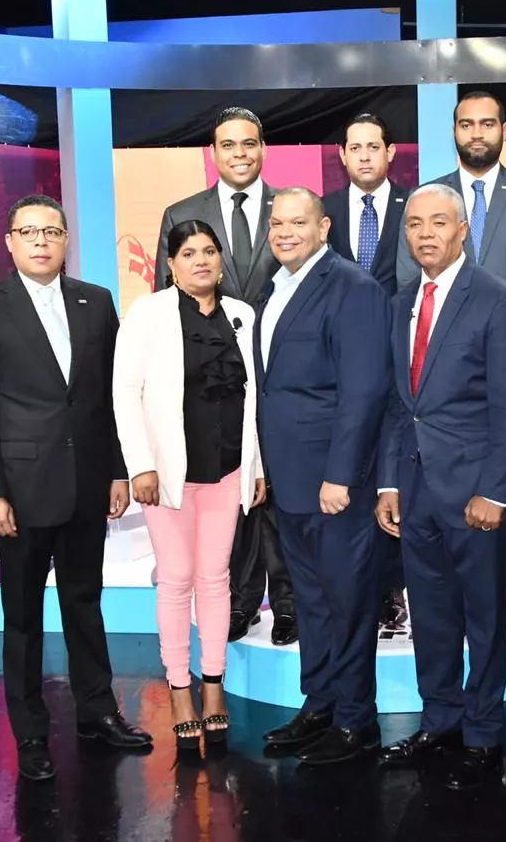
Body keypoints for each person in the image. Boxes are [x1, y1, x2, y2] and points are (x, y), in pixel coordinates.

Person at [0, 194, 153, 782]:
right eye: (29, 231)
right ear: (10, 242)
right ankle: (31, 733)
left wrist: (118, 468)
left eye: (52, 231)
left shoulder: (96, 303)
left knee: (84, 603)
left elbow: (112, 397)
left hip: (88, 482)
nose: (41, 241)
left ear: (66, 240)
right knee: (22, 618)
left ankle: (98, 712)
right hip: (20, 489)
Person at [376, 183, 506, 790]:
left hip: (475, 497)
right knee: (432, 617)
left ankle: (485, 732)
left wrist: (495, 493)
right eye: (414, 223)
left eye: (438, 222)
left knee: (484, 616)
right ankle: (439, 720)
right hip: (414, 492)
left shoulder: (497, 298)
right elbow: (398, 404)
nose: (424, 233)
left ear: (463, 229)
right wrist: (388, 482)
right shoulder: (401, 301)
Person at [112, 219, 265, 750]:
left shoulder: (242, 315)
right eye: (189, 253)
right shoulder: (148, 314)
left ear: (221, 259)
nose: (201, 260)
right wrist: (140, 467)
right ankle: (180, 689)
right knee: (176, 579)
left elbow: (253, 403)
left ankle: (214, 686)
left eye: (209, 251)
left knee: (215, 578)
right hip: (169, 477)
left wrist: (256, 467)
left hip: (226, 470)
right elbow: (124, 392)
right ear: (171, 264)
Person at [256, 188, 392, 764]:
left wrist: (341, 475)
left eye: (298, 222)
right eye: (277, 222)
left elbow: (364, 390)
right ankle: (320, 704)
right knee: (311, 599)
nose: (285, 231)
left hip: (335, 485)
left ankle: (357, 720)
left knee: (349, 599)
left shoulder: (352, 288)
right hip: (289, 481)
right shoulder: (276, 288)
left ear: (324, 226)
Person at [153, 107, 296, 646]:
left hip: (280, 370)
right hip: (209, 382)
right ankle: (239, 602)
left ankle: (286, 603)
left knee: (274, 489)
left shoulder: (290, 208)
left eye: (249, 143)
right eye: (227, 144)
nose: (239, 153)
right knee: (226, 491)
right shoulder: (181, 212)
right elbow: (165, 302)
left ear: (263, 148)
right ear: (212, 152)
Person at [431, 90, 506, 644]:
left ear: (505, 128)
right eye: (465, 124)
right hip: (441, 374)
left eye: (486, 124)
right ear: (453, 131)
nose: (475, 133)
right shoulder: (428, 198)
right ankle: (452, 595)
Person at [323, 112, 418, 633]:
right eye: (353, 147)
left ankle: (394, 593)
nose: (363, 155)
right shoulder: (325, 212)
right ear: (342, 155)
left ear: (389, 153)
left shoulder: (415, 208)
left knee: (395, 476)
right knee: (350, 478)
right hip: (338, 371)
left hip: (404, 364)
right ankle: (357, 589)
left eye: (372, 146)